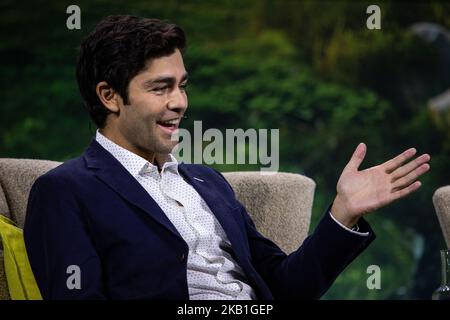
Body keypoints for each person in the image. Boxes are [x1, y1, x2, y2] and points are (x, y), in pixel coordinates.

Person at [23, 15, 431, 300]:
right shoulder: (64, 190)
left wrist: (342, 212)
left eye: (182, 85)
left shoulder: (207, 181)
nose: (180, 102)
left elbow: (287, 287)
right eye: (161, 88)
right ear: (109, 96)